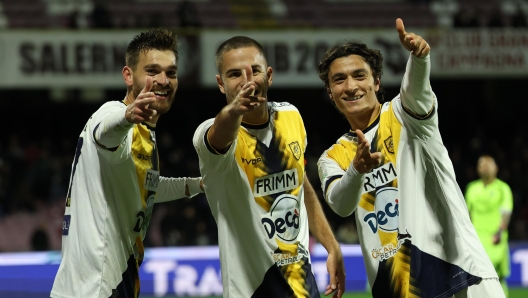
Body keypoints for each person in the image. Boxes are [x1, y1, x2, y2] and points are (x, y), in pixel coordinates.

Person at [316, 18, 504, 297]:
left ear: (377, 81)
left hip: (460, 272)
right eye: (339, 79)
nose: (351, 85)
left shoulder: (405, 115)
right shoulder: (331, 158)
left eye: (359, 75)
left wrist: (419, 59)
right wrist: (356, 169)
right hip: (397, 287)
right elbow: (341, 205)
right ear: (331, 93)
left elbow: (415, 88)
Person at [50, 28, 203, 298]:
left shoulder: (145, 134)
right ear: (128, 76)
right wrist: (127, 117)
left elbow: (146, 188)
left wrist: (199, 184)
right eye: (152, 71)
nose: (163, 80)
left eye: (171, 72)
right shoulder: (113, 113)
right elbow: (105, 133)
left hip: (111, 282)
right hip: (96, 287)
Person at [192, 36, 345, 298]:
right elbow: (219, 134)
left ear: (269, 75)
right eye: (234, 74)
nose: (246, 81)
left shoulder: (291, 116)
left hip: (302, 285)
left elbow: (302, 186)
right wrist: (235, 110)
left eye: (255, 71)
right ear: (220, 83)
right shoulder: (210, 133)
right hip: (253, 290)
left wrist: (333, 247)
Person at [465, 155, 513, 297]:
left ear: (496, 168)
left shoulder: (502, 188)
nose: (484, 166)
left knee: (498, 277)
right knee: (478, 280)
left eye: (488, 164)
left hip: (495, 240)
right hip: (478, 241)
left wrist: (499, 233)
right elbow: (467, 214)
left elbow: (506, 212)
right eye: (481, 164)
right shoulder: (472, 188)